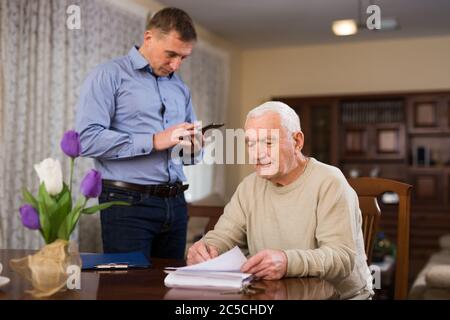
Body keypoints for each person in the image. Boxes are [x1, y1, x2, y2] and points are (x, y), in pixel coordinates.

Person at [187, 101, 374, 299]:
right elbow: (223, 235)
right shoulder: (249, 186)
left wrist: (287, 261)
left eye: (268, 142)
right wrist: (206, 249)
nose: (257, 154)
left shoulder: (330, 182)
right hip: (275, 294)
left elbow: (341, 258)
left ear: (297, 142)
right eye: (250, 143)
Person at [75, 7, 202, 260]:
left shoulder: (180, 88)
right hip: (127, 204)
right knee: (126, 290)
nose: (176, 64)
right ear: (149, 38)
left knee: (170, 288)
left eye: (183, 58)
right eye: (171, 54)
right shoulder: (108, 75)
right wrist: (155, 140)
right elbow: (86, 139)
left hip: (176, 204)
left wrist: (193, 149)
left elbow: (186, 154)